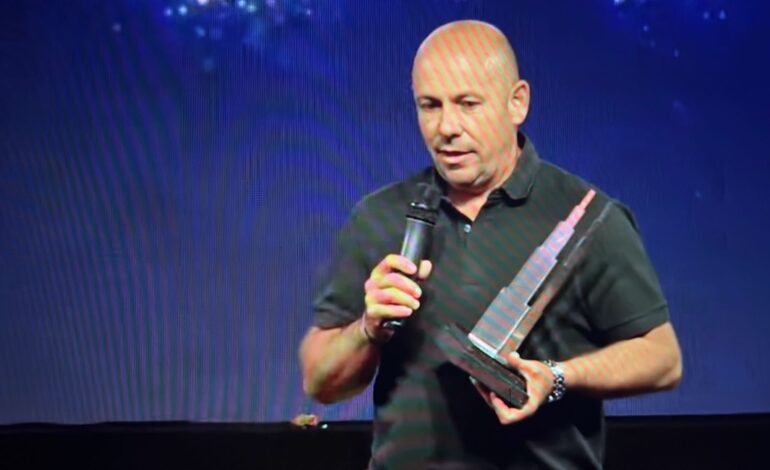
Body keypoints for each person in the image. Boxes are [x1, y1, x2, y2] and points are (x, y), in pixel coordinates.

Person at [299, 20, 682, 469]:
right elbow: (320, 383)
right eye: (430, 105)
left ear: (517, 102)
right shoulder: (378, 216)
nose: (446, 127)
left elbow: (662, 359)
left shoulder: (588, 216)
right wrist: (367, 329)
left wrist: (558, 377)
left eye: (468, 104)